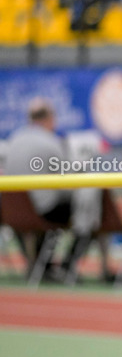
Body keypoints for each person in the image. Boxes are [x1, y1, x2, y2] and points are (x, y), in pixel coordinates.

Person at [4, 98, 101, 279]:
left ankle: (41, 265)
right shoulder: (50, 142)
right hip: (44, 212)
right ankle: (66, 265)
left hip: (13, 212)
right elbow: (69, 180)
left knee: (49, 208)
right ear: (49, 119)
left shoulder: (13, 140)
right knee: (85, 205)